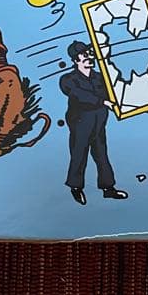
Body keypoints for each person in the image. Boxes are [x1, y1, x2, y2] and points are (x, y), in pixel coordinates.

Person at [59, 40, 128, 205]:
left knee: (101, 154)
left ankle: (108, 188)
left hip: (99, 122)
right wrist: (102, 102)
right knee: (79, 155)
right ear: (75, 60)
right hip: (80, 123)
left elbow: (114, 92)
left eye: (90, 54)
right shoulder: (68, 79)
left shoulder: (100, 77)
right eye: (84, 55)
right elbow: (79, 95)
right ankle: (76, 187)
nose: (89, 58)